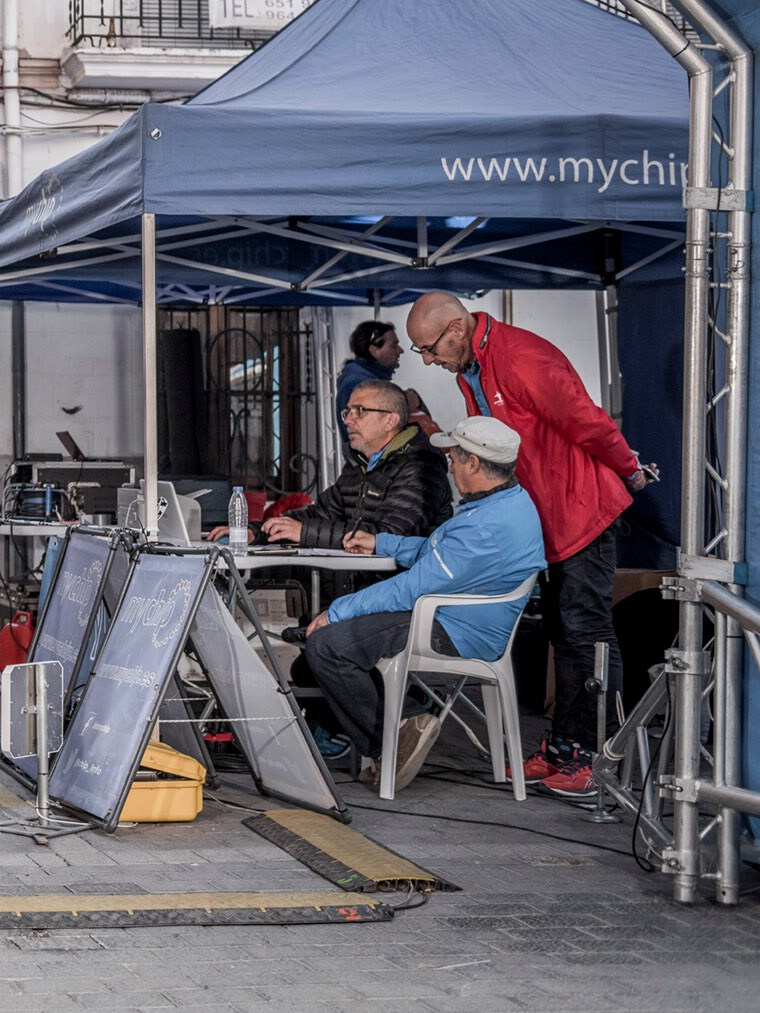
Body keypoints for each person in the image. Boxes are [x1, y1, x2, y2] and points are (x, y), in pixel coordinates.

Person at [406, 291, 649, 795]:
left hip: (582, 510)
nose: (428, 360)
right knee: (562, 631)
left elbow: (585, 419)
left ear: (455, 329)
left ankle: (601, 757)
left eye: (428, 348)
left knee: (587, 631)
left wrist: (629, 469)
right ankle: (565, 746)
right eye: (420, 353)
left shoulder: (521, 356)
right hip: (545, 517)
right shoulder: (471, 366)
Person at [304, 417, 547, 791]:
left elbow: (411, 588)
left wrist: (336, 610)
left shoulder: (484, 524)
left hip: (452, 628)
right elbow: (439, 554)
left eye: (452, 458)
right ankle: (405, 722)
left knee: (327, 646)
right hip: (459, 617)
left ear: (474, 464)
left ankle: (397, 735)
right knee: (340, 640)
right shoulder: (507, 503)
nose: (449, 466)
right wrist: (382, 543)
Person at [214, 379, 452, 551]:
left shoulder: (421, 467)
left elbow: (390, 536)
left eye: (360, 411)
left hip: (400, 594)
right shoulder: (358, 464)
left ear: (390, 420)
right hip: (356, 587)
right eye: (347, 412)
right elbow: (321, 513)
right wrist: (257, 531)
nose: (348, 420)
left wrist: (303, 533)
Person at [335, 320, 440, 439]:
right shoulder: (357, 383)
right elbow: (368, 429)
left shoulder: (365, 379)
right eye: (393, 345)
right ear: (374, 351)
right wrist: (405, 405)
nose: (400, 350)